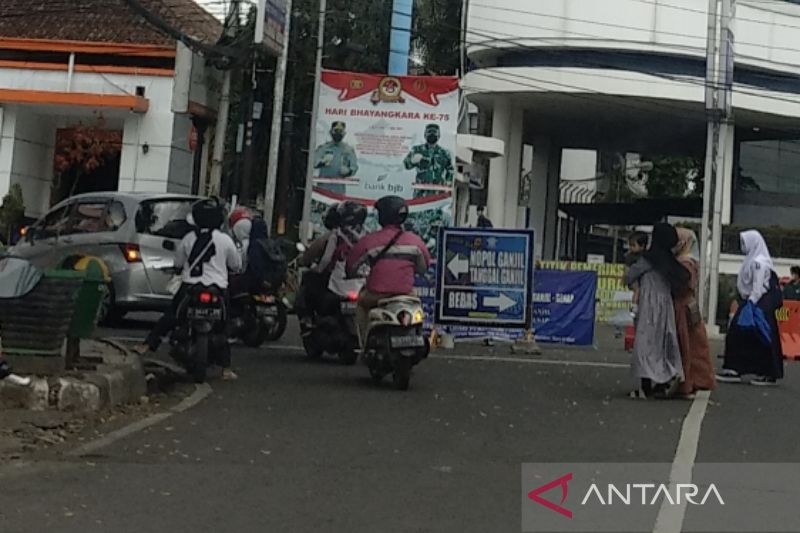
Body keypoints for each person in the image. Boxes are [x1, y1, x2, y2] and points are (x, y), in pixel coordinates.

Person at [137, 199, 242, 380]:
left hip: (191, 286)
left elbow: (178, 263)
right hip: (218, 288)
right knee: (224, 326)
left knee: (172, 315)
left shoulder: (188, 239)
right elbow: (236, 265)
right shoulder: (225, 240)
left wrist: (179, 270)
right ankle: (225, 369)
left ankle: (148, 345)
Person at [346, 196, 431, 346]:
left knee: (361, 304)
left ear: (382, 216)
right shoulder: (416, 242)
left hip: (376, 295)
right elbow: (423, 268)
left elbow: (351, 266)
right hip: (406, 295)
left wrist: (353, 274)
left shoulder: (369, 241)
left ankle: (365, 343)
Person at [624, 223, 688, 399]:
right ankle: (662, 381)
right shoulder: (669, 260)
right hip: (665, 305)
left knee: (645, 344)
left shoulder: (648, 259)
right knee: (662, 344)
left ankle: (645, 388)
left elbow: (630, 276)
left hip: (648, 304)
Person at [718, 230, 784, 386]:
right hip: (754, 303)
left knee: (747, 333)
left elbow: (758, 286)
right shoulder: (754, 259)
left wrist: (751, 304)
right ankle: (738, 369)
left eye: (744, 242)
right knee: (750, 335)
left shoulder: (758, 262)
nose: (742, 246)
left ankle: (760, 372)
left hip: (756, 303)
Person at [672, 228, 716, 396]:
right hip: (690, 306)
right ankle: (699, 379)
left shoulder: (686, 262)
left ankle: (689, 380)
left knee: (686, 345)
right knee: (695, 344)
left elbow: (685, 285)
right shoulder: (691, 260)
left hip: (683, 307)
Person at [296, 205, 341, 330]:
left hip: (331, 279)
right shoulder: (359, 237)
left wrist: (313, 266)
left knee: (308, 278)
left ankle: (307, 316)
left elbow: (309, 257)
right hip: (352, 280)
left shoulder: (329, 237)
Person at [403, 124, 454, 198]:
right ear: (425, 135)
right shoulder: (417, 150)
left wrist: (448, 183)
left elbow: (450, 170)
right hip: (421, 193)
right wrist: (412, 161)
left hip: (438, 193)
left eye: (434, 132)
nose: (432, 134)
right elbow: (406, 164)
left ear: (439, 136)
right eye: (429, 132)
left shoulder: (445, 153)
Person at [313, 122, 358, 195]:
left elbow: (354, 167)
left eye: (340, 131)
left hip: (339, 189)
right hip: (323, 188)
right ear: (331, 132)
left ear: (344, 133)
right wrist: (322, 162)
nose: (338, 133)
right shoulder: (323, 148)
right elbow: (313, 162)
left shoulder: (348, 150)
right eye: (336, 130)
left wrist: (348, 171)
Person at [624, 232, 649, 314]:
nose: (631, 247)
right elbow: (627, 268)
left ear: (642, 246)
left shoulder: (645, 256)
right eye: (630, 245)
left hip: (641, 278)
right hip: (633, 279)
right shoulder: (630, 256)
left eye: (633, 245)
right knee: (637, 290)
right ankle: (634, 305)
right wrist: (627, 277)